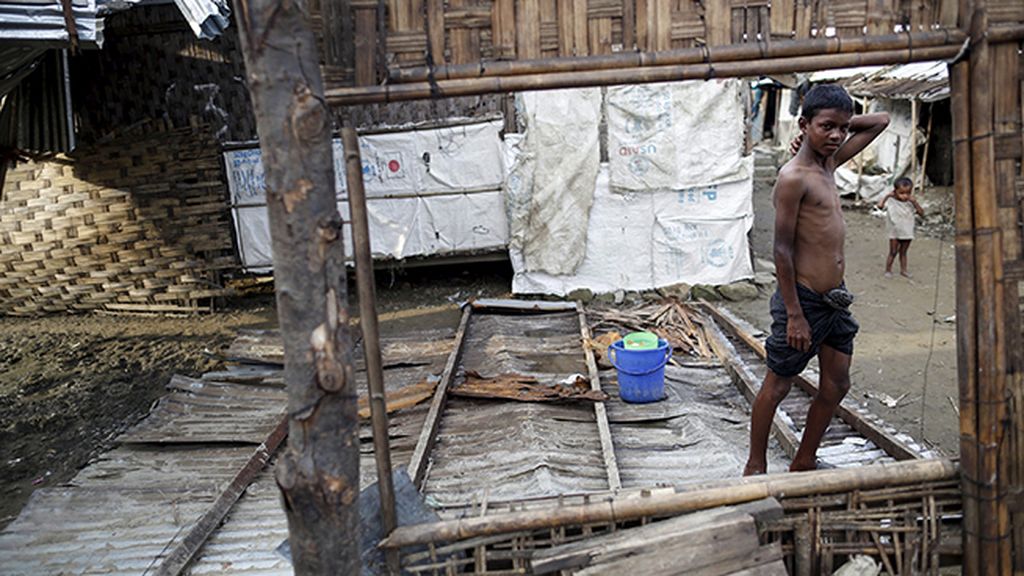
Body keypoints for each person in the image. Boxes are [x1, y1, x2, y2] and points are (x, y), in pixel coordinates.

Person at [744, 84, 890, 475]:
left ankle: (804, 459)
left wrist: (832, 120)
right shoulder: (795, 177)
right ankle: (754, 466)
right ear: (804, 124)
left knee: (836, 385)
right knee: (778, 384)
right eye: (827, 127)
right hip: (803, 300)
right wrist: (794, 314)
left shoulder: (829, 163)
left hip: (834, 299)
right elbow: (781, 250)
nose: (838, 136)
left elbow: (881, 119)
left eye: (842, 129)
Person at [877, 177, 925, 278]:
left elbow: (921, 213)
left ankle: (904, 270)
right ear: (895, 191)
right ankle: (888, 270)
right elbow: (880, 206)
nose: (905, 196)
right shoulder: (891, 200)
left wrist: (915, 203)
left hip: (907, 230)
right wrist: (887, 196)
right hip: (894, 231)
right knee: (893, 252)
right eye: (901, 193)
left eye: (908, 193)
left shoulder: (910, 202)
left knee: (903, 252)